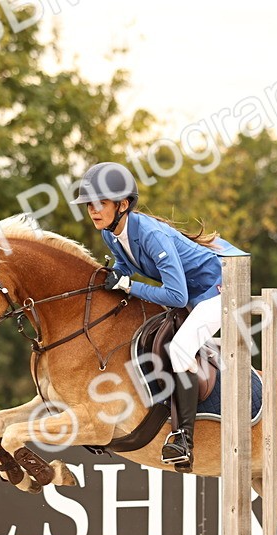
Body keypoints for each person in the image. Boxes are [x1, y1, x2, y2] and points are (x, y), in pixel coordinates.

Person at [71, 162, 243, 472]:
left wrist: (126, 284)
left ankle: (183, 438)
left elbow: (175, 295)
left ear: (123, 205)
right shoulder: (111, 233)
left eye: (100, 203)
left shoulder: (151, 235)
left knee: (178, 349)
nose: (93, 211)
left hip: (219, 290)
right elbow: (123, 270)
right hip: (191, 294)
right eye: (89, 205)